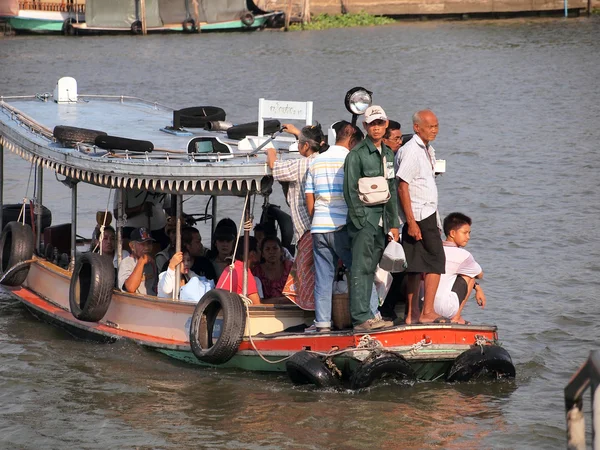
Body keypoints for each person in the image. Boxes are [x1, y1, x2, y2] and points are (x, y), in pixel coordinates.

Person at [343, 105, 400, 331]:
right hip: (365, 221)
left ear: (386, 125)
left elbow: (392, 190)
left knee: (373, 269)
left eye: (380, 123)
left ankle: (369, 315)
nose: (376, 128)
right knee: (360, 268)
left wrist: (393, 223)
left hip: (382, 222)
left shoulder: (387, 153)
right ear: (365, 126)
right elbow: (349, 191)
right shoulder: (356, 155)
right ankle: (359, 319)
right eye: (372, 124)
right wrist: (361, 221)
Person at [305, 121, 363, 331]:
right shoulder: (351, 159)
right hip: (342, 226)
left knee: (323, 278)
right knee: (358, 272)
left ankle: (322, 323)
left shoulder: (315, 161)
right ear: (352, 139)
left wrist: (317, 220)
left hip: (319, 227)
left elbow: (309, 197)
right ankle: (369, 315)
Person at [266, 124, 324, 310]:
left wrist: (270, 150)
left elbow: (274, 167)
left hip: (307, 229)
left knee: (305, 272)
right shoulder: (323, 159)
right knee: (322, 271)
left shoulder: (300, 164)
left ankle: (310, 312)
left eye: (300, 143)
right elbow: (314, 145)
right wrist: (297, 133)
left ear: (305, 146)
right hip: (325, 227)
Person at [396, 109, 446, 324]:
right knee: (436, 261)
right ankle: (425, 312)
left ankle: (412, 314)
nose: (434, 130)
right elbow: (402, 186)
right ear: (417, 127)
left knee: (416, 267)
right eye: (430, 126)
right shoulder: (412, 151)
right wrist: (411, 222)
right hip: (418, 214)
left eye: (436, 126)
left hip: (426, 212)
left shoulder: (426, 149)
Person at [434, 213, 486, 324]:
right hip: (444, 308)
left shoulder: (435, 249)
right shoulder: (463, 255)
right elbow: (480, 274)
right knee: (469, 276)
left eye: (469, 233)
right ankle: (456, 317)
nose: (468, 237)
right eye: (465, 233)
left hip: (426, 306)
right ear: (452, 233)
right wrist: (477, 287)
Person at [216, 236, 261, 305]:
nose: (261, 253)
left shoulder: (228, 269)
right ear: (252, 254)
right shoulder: (245, 273)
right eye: (259, 250)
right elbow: (257, 307)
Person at [118, 227, 157, 296]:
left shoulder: (151, 262)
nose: (147, 247)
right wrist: (141, 262)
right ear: (132, 246)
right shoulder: (126, 263)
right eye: (142, 244)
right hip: (135, 304)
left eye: (149, 243)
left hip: (151, 303)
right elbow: (130, 288)